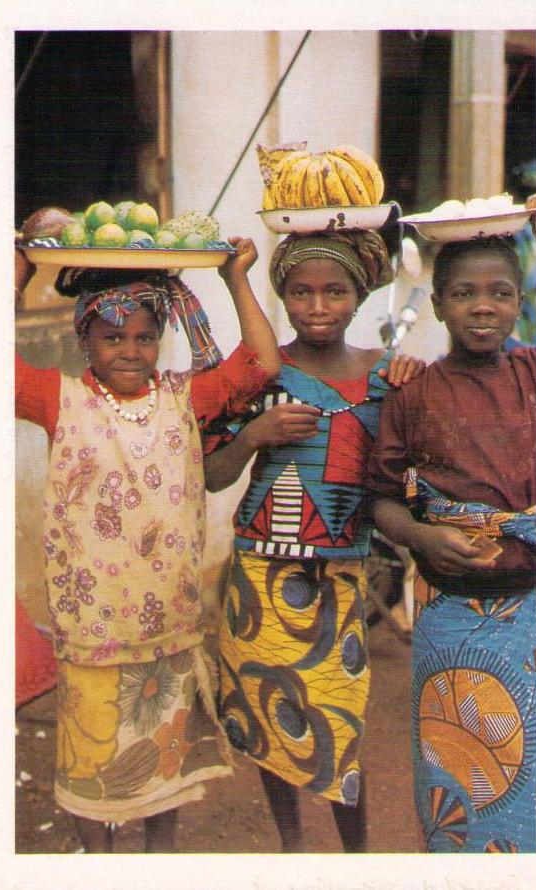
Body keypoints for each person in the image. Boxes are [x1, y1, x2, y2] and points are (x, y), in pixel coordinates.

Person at [15, 237, 280, 853]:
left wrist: (239, 278)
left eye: (143, 336)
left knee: (165, 764)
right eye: (113, 338)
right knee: (91, 764)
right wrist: (20, 272)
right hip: (94, 630)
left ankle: (157, 862)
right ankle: (99, 861)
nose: (129, 351)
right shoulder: (63, 399)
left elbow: (261, 363)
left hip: (169, 626)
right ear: (86, 341)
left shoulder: (183, 397)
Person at [203, 229, 424, 852]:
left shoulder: (387, 377)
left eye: (334, 292)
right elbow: (213, 477)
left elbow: (407, 473)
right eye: (301, 293)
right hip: (259, 577)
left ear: (360, 297)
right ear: (282, 296)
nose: (317, 306)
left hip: (341, 578)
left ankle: (356, 857)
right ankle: (292, 850)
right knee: (270, 719)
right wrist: (253, 437)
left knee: (337, 720)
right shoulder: (259, 373)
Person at [366, 236, 536, 853]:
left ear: (521, 303)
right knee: (458, 770)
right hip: (451, 616)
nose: (483, 308)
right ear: (437, 305)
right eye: (464, 294)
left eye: (500, 293)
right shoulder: (412, 392)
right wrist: (418, 536)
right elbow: (381, 497)